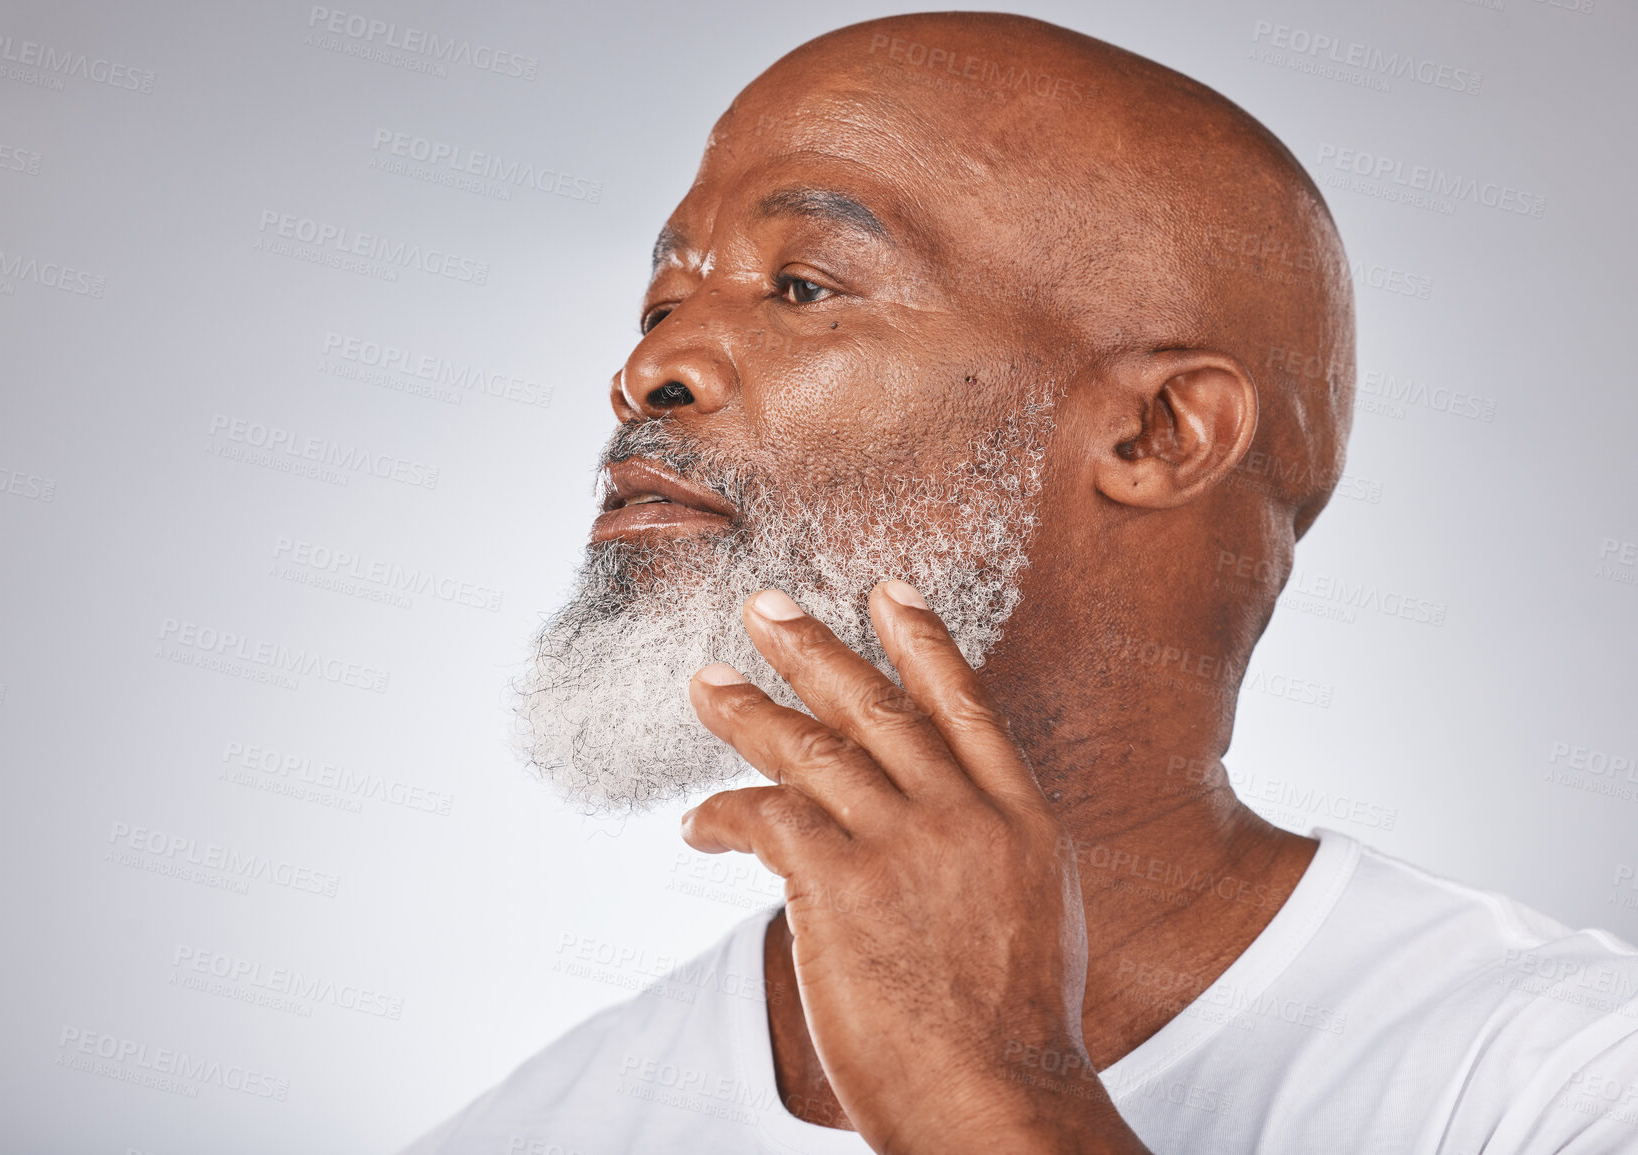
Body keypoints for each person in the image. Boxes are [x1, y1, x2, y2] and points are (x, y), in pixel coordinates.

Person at [404, 12, 1638, 1154]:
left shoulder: (1563, 1080)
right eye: (664, 298)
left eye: (804, 286)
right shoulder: (540, 1127)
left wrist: (988, 1085)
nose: (650, 366)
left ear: (1158, 434)